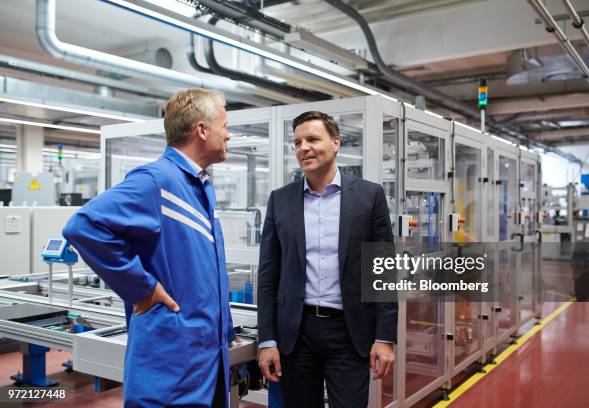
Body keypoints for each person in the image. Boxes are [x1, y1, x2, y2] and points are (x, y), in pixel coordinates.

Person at [63, 88, 235, 407]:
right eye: (224, 126)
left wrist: (224, 328)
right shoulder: (156, 181)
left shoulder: (197, 184)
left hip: (205, 359)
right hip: (170, 364)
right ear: (201, 129)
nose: (228, 135)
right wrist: (142, 288)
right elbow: (84, 226)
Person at [257, 111, 398, 408]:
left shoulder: (369, 196)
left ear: (336, 143)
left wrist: (385, 337)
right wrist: (267, 340)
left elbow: (383, 272)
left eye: (312, 139)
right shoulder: (280, 200)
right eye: (297, 142)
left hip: (349, 332)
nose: (303, 148)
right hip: (297, 334)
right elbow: (268, 275)